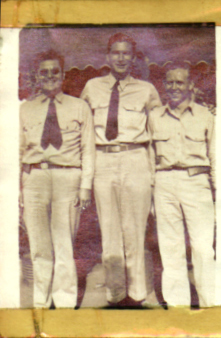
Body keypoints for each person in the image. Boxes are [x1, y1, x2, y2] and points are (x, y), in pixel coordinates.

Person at [81, 33, 162, 306]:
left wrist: (154, 175)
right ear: (107, 56)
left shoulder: (147, 90)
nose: (121, 58)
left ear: (133, 57)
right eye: (116, 52)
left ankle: (138, 293)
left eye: (126, 53)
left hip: (135, 158)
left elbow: (158, 132)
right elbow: (82, 130)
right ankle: (115, 293)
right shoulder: (92, 87)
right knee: (110, 230)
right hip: (103, 159)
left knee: (135, 229)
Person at [20, 49, 95, 308]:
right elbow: (17, 150)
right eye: (44, 72)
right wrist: (20, 188)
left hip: (67, 178)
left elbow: (88, 149)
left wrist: (85, 186)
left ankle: (63, 302)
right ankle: (41, 301)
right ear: (37, 77)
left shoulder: (79, 106)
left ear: (62, 75)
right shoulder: (26, 109)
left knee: (64, 242)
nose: (50, 76)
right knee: (39, 244)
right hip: (35, 177)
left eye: (55, 72)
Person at [149, 61, 216, 308]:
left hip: (196, 182)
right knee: (170, 248)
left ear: (190, 85)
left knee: (202, 248)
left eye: (180, 82)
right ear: (164, 85)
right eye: (170, 82)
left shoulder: (205, 116)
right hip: (164, 182)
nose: (174, 87)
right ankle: (178, 308)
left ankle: (210, 305)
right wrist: (152, 192)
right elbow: (149, 156)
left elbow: (215, 154)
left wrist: (217, 190)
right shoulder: (154, 116)